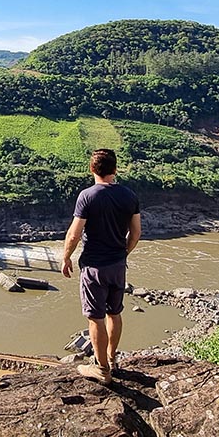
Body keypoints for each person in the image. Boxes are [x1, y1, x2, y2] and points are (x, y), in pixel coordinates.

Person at [62, 148, 141, 384]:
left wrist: (66, 257)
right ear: (115, 169)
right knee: (114, 312)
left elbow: (75, 234)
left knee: (95, 318)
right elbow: (136, 232)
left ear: (92, 169)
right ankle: (112, 359)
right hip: (118, 265)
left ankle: (102, 369)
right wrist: (123, 253)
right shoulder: (129, 195)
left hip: (94, 266)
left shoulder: (88, 196)